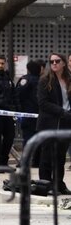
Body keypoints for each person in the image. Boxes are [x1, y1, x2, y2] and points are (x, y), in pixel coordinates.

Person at [36, 53, 71, 195]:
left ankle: (58, 184)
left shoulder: (68, 79)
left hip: (65, 123)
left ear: (64, 63)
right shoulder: (45, 80)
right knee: (47, 156)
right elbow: (43, 103)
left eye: (57, 61)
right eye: (52, 62)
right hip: (49, 123)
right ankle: (45, 186)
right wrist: (62, 112)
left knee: (60, 157)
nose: (54, 64)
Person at [16, 59, 42, 167]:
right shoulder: (42, 80)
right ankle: (36, 161)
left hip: (27, 113)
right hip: (39, 114)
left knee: (27, 138)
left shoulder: (25, 80)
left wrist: (19, 110)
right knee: (39, 137)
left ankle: (25, 161)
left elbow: (18, 94)